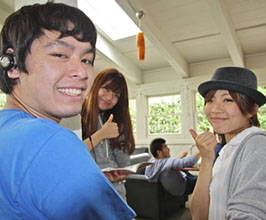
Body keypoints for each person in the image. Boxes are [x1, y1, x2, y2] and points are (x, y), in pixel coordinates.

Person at [0, 2, 135, 219]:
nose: (82, 72)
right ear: (13, 64)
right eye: (60, 55)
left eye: (86, 60)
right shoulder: (49, 140)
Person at [189, 66, 266, 220]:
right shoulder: (228, 149)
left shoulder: (256, 144)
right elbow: (199, 215)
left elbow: (248, 213)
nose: (215, 109)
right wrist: (207, 160)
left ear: (252, 110)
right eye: (210, 100)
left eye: (227, 100)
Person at [81, 68, 135, 200]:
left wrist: (122, 174)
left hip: (115, 193)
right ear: (95, 85)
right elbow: (71, 154)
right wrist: (102, 134)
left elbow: (124, 164)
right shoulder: (74, 114)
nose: (110, 97)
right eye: (106, 89)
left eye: (116, 95)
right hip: (85, 193)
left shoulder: (117, 122)